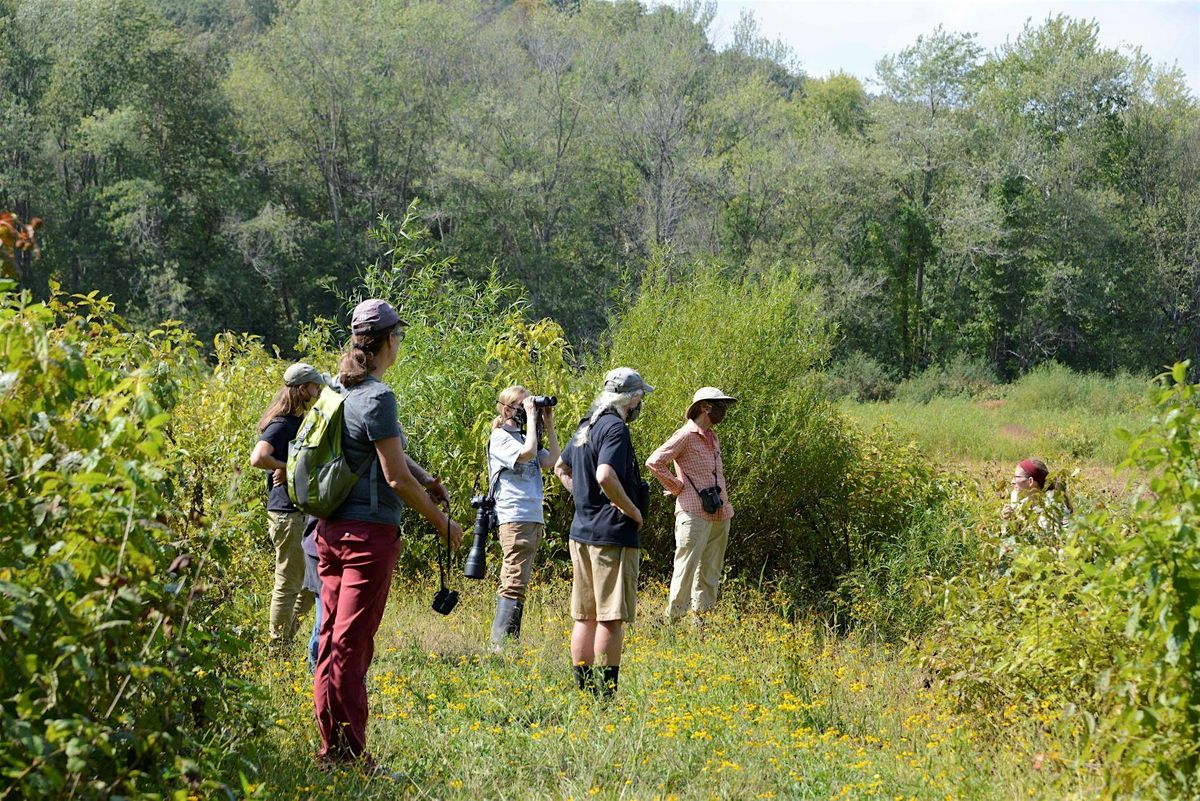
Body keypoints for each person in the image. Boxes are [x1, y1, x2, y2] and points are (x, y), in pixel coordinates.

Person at [313, 298, 464, 771]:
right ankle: (351, 757)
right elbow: (393, 477)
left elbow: (384, 455)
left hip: (330, 529)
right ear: (390, 341)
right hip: (367, 539)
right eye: (399, 336)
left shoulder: (337, 390)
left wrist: (426, 479)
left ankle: (331, 749)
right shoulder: (378, 395)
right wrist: (443, 524)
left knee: (330, 639)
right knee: (351, 645)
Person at [554, 367, 653, 697]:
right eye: (641, 398)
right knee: (610, 618)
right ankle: (605, 697)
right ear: (633, 398)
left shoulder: (588, 424)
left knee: (585, 617)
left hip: (582, 532)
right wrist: (632, 510)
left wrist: (582, 497)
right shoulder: (615, 429)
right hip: (612, 536)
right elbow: (606, 475)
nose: (640, 404)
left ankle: (584, 696)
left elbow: (560, 468)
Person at [248, 362, 327, 650]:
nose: (317, 391)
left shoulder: (298, 420)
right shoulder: (282, 423)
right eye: (314, 386)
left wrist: (289, 467)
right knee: (289, 583)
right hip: (286, 513)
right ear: (302, 388)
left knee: (310, 585)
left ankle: (285, 640)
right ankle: (276, 648)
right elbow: (258, 458)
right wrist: (286, 466)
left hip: (299, 512)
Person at [646, 387, 737, 626]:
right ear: (705, 407)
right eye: (720, 406)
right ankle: (673, 622)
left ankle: (701, 623)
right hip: (693, 512)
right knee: (686, 568)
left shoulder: (712, 436)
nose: (723, 411)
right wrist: (677, 487)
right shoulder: (685, 435)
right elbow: (654, 461)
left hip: (720, 511)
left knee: (711, 570)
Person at [486, 386, 560, 647]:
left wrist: (547, 423)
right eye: (522, 404)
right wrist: (531, 416)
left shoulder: (522, 437)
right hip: (514, 514)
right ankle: (500, 645)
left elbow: (551, 459)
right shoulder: (500, 438)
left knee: (520, 580)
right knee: (514, 579)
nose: (530, 408)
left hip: (531, 515)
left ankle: (508, 642)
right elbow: (528, 454)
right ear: (507, 409)